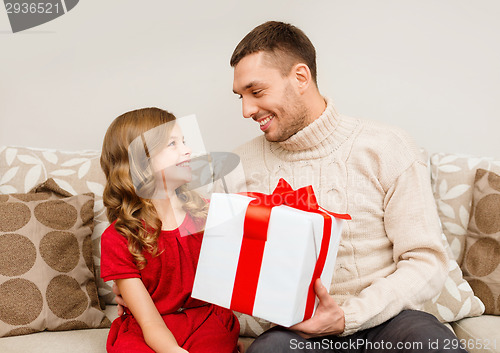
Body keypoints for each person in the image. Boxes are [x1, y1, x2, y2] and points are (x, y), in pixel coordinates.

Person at [227, 21, 467, 352]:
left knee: (431, 344)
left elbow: (426, 261)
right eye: (241, 97)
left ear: (300, 78)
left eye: (257, 92)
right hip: (296, 330)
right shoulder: (238, 167)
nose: (246, 110)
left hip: (388, 322)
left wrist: (348, 316)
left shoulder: (386, 147)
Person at [99, 108, 240, 353]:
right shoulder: (117, 238)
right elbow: (149, 321)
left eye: (184, 141)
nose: (188, 150)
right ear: (140, 162)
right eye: (172, 144)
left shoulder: (207, 215)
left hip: (204, 321)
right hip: (148, 326)